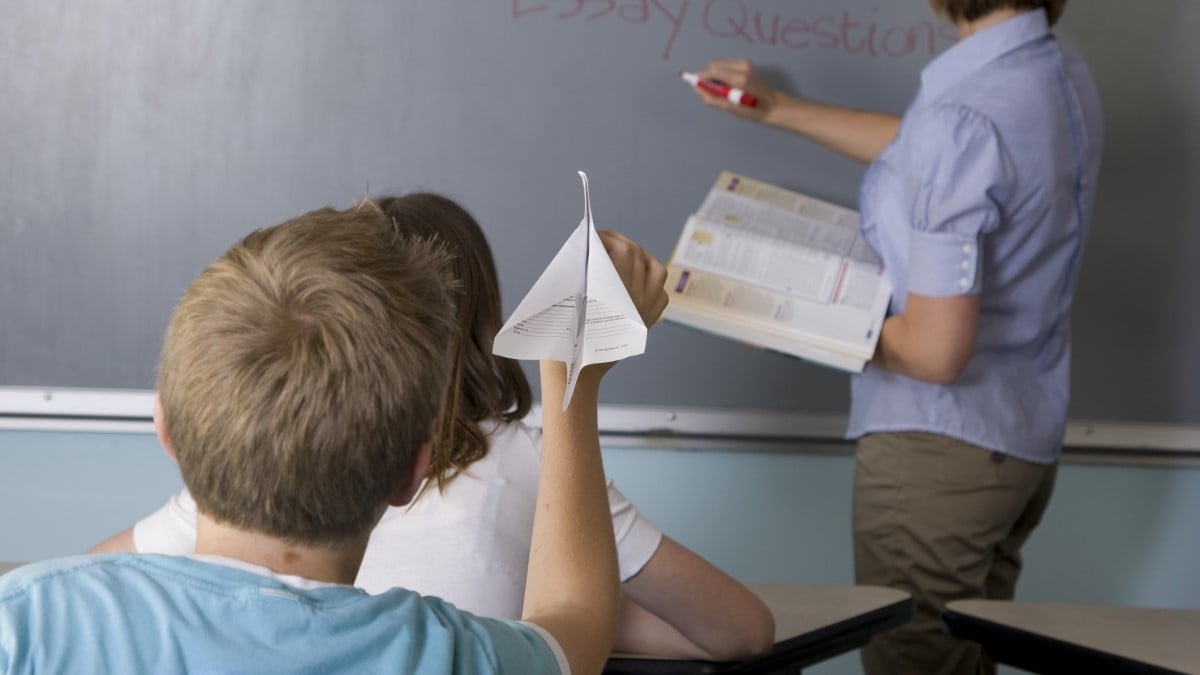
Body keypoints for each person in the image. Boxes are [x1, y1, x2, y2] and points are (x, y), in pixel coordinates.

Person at [88, 192, 776, 661]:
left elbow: (88, 576)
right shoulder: (451, 643)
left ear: (172, 433)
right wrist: (571, 377)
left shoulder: (58, 610)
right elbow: (729, 631)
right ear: (409, 471)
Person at [686, 1, 1103, 674]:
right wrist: (777, 109)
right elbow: (934, 152)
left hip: (936, 457)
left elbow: (936, 351)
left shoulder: (962, 118)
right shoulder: (1053, 73)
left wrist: (791, 315)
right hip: (1016, 443)